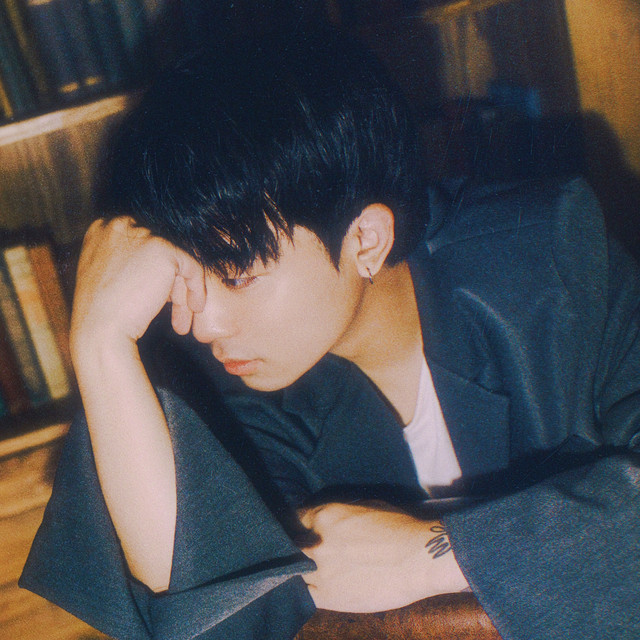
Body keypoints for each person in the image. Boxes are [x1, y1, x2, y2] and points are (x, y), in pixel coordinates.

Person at [21, 27, 639, 640]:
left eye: (236, 275)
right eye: (186, 279)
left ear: (365, 240)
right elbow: (214, 614)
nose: (204, 323)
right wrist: (99, 345)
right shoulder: (234, 376)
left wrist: (435, 554)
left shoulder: (552, 259)